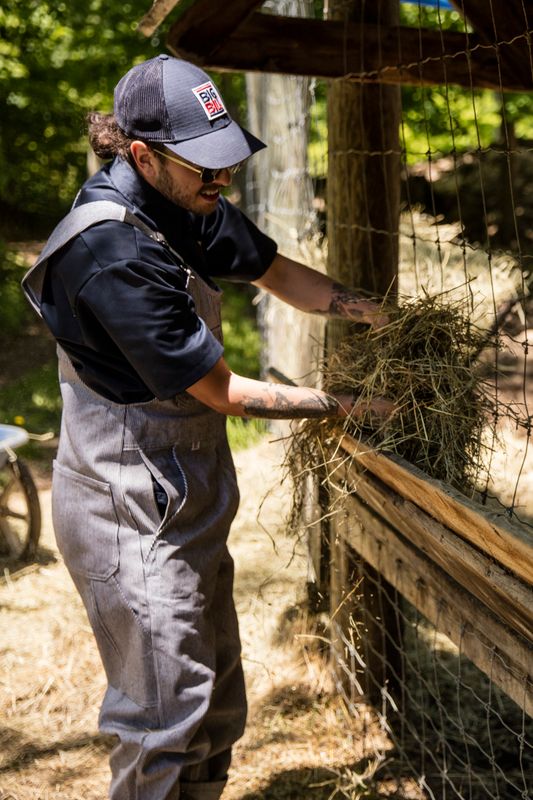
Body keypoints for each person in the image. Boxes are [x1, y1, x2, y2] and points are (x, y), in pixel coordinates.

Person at [23, 54, 392, 800]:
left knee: (216, 706)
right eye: (205, 167)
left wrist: (376, 313)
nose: (220, 180)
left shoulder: (184, 200)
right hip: (126, 504)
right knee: (164, 717)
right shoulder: (112, 249)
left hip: (180, 488)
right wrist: (352, 407)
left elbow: (277, 271)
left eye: (225, 161)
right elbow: (223, 393)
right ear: (140, 155)